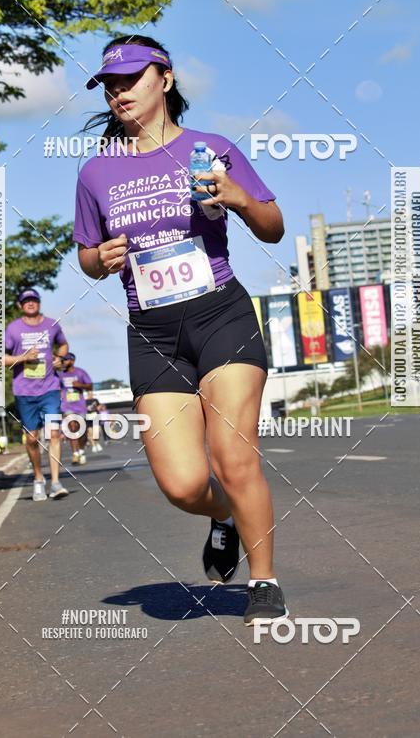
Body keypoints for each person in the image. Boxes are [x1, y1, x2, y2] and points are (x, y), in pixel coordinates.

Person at [74, 35, 288, 625]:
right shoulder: (96, 174)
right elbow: (87, 257)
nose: (119, 92)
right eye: (110, 84)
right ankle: (223, 517)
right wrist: (104, 258)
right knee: (182, 484)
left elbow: (272, 227)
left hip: (221, 314)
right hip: (152, 331)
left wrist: (241, 197)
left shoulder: (211, 149)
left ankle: (264, 581)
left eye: (131, 79)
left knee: (233, 453)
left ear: (164, 79)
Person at [3, 288, 69, 501]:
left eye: (33, 300)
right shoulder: (13, 329)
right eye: (26, 301)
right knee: (32, 439)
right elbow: (0, 358)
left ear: (39, 303)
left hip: (50, 388)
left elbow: (64, 344)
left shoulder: (51, 324)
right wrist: (22, 358)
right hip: (24, 391)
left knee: (54, 434)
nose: (30, 304)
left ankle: (56, 482)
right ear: (20, 306)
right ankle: (39, 478)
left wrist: (60, 358)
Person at [58, 352, 100, 463]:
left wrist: (80, 385)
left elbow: (90, 385)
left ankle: (81, 450)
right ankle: (75, 454)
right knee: (72, 427)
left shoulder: (80, 372)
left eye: (66, 360)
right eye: (62, 360)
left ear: (72, 360)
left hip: (80, 406)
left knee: (82, 431)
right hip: (67, 405)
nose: (63, 362)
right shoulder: (60, 374)